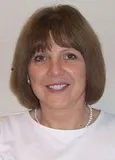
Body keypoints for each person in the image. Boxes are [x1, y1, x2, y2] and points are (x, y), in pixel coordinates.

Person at [0, 4, 115, 160]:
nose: (55, 70)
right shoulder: (4, 135)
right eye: (40, 58)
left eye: (69, 56)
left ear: (89, 67)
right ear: (26, 73)